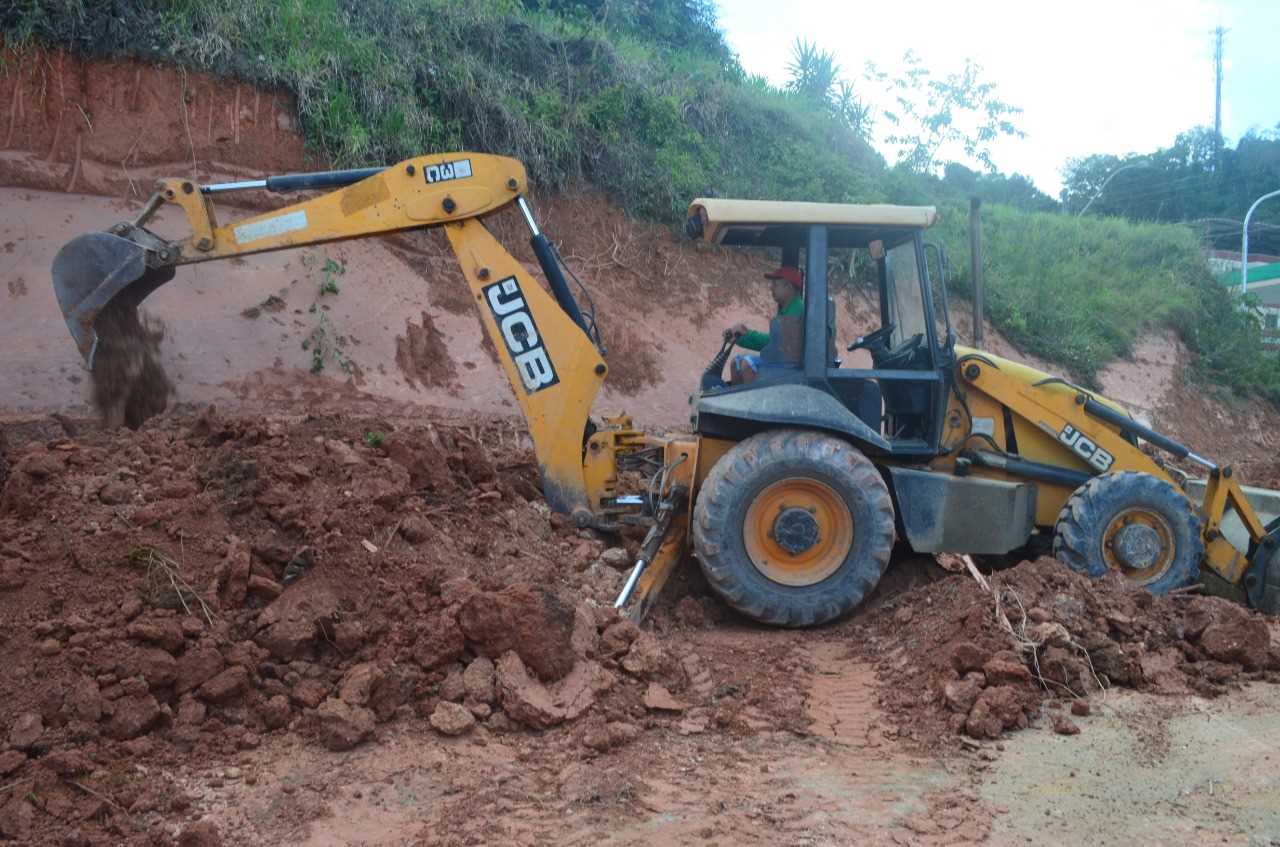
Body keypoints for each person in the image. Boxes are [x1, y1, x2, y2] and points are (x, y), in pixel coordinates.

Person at [726, 265, 804, 382]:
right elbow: (774, 342)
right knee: (736, 362)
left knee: (748, 365)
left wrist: (746, 336)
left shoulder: (796, 310)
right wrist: (743, 337)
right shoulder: (787, 309)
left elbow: (776, 344)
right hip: (784, 361)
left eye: (775, 285)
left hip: (791, 365)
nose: (771, 288)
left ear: (788, 286)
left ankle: (752, 400)